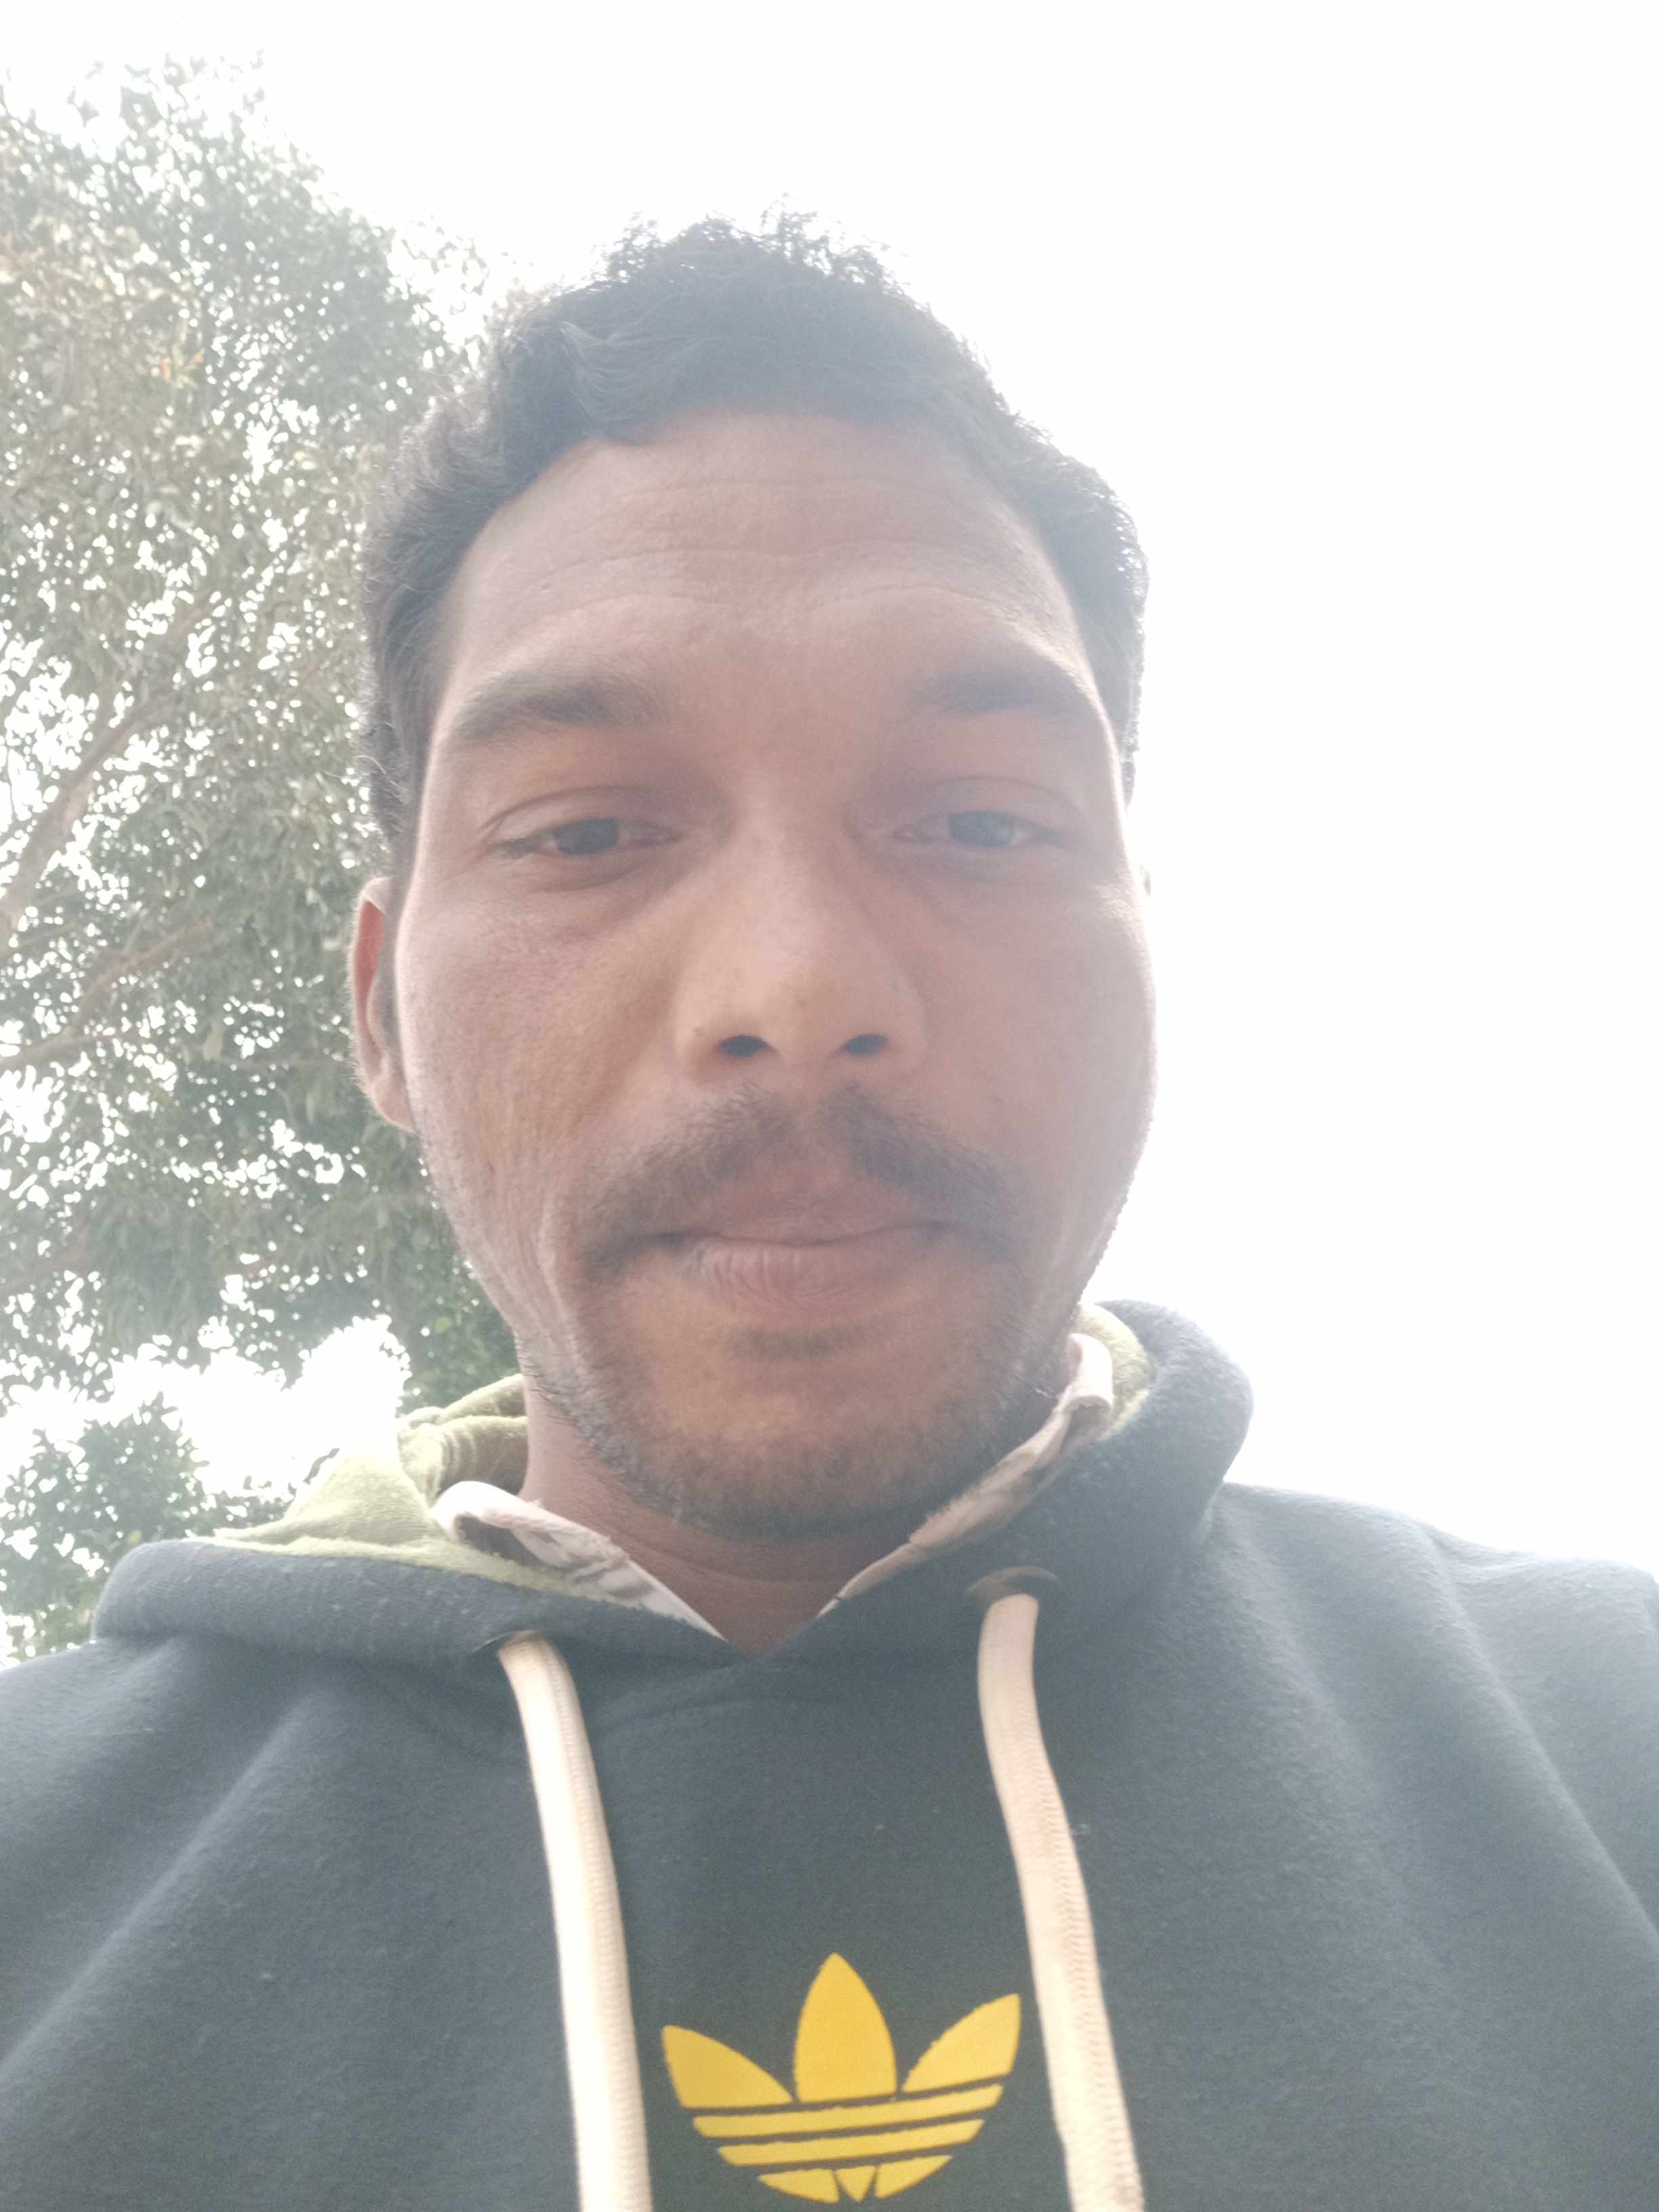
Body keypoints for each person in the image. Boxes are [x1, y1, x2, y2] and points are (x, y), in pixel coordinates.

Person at [2, 216, 1656, 2212]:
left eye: (981, 821)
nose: (797, 991)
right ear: (380, 1013)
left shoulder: (1613, 1750)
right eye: (589, 831)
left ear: (1147, 946)